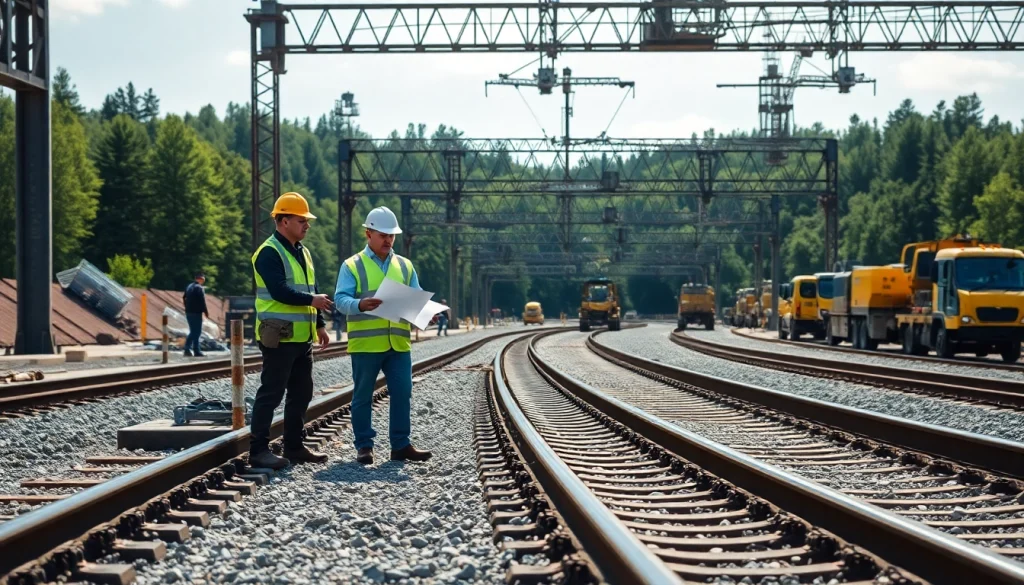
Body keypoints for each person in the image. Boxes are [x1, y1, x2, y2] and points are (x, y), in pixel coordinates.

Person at [335, 206, 434, 465]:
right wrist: (359, 304)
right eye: (382, 235)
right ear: (368, 234)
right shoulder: (352, 266)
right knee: (363, 396)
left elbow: (416, 298)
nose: (388, 240)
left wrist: (426, 313)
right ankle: (364, 446)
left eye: (392, 235)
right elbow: (340, 299)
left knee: (403, 392)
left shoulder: (405, 265)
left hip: (398, 344)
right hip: (366, 344)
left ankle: (400, 445)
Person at [248, 192, 333, 470]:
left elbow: (310, 288)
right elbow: (280, 291)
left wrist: (318, 323)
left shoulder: (303, 252)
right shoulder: (268, 252)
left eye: (307, 220)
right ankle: (258, 450)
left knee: (301, 392)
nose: (307, 225)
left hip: (301, 337)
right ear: (283, 221)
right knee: (271, 393)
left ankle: (294, 446)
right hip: (280, 336)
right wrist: (312, 302)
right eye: (301, 220)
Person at [182, 272, 209, 357]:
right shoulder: (199, 288)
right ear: (201, 279)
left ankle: (187, 349)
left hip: (189, 312)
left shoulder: (189, 286)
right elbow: (202, 301)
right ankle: (196, 350)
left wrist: (187, 307)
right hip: (196, 312)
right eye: (203, 279)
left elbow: (184, 297)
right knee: (197, 332)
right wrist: (206, 311)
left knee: (193, 331)